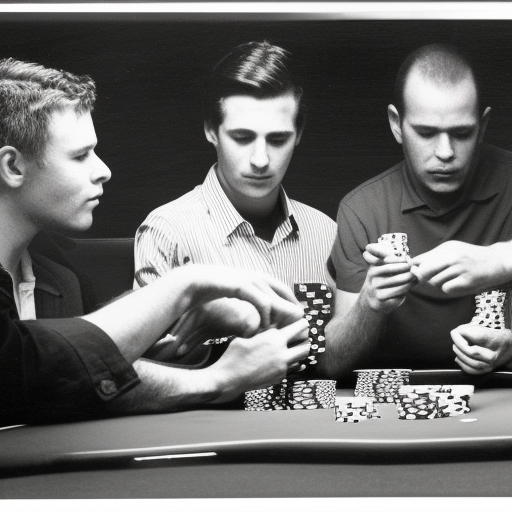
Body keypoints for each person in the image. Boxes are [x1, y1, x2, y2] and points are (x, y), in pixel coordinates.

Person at [0, 57, 310, 426]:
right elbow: (22, 365)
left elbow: (89, 376)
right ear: (13, 167)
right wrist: (185, 288)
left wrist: (187, 317)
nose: (103, 170)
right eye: (81, 156)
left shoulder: (62, 281)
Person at [134, 41, 336, 367]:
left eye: (277, 139)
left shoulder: (327, 232)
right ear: (211, 131)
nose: (260, 160)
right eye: (242, 138)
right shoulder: (166, 231)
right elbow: (144, 363)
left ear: (298, 134)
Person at [323, 43, 512, 378]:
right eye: (426, 133)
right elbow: (334, 362)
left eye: (461, 133)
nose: (445, 152)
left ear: (482, 126)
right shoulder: (361, 210)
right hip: (396, 406)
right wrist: (370, 303)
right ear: (397, 124)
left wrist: (501, 259)